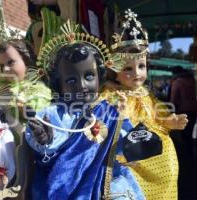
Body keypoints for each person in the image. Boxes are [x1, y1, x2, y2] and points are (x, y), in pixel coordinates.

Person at [25, 22, 145, 199]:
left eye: (89, 76)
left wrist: (136, 141)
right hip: (66, 183)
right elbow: (46, 148)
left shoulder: (108, 111)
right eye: (71, 81)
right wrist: (44, 140)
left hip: (107, 178)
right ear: (59, 85)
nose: (82, 86)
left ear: (100, 76)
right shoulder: (54, 113)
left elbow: (121, 144)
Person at [100, 9, 188, 200]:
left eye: (141, 66)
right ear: (114, 71)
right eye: (128, 69)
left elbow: (157, 113)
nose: (137, 73)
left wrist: (169, 121)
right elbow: (104, 121)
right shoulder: (111, 94)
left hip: (153, 148)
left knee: (170, 166)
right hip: (126, 151)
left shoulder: (145, 93)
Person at [170, 66, 197, 142]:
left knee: (183, 132)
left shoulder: (177, 82)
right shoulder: (192, 80)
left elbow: (173, 98)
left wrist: (170, 110)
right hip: (194, 109)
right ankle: (190, 150)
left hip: (183, 110)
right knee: (189, 132)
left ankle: (184, 152)